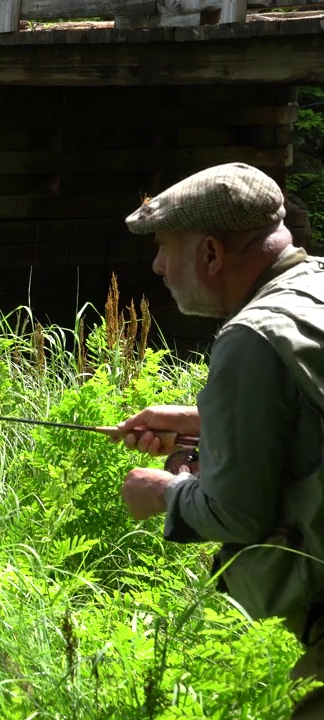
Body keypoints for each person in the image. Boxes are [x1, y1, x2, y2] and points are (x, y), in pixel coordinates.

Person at [114, 161, 324, 716]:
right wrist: (199, 419)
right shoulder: (315, 288)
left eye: (164, 248)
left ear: (210, 253)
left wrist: (160, 491)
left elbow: (237, 515)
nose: (157, 266)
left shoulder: (250, 336)